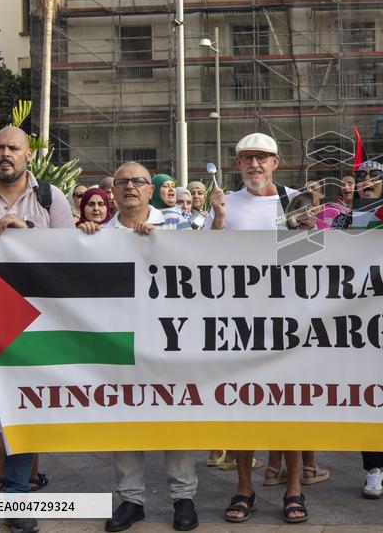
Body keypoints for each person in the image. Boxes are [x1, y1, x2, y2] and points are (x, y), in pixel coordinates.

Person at [0, 127, 75, 533]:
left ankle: (19, 498)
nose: (6, 154)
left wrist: (29, 235)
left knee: (26, 416)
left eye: (14, 148)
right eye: (0, 147)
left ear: (29, 154)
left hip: (33, 329)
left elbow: (70, 257)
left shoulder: (50, 199)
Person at [79, 163, 199, 533]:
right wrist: (82, 237)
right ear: (111, 190)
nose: (130, 187)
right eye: (122, 182)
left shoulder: (178, 224)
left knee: (173, 415)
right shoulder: (96, 233)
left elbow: (206, 267)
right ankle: (131, 500)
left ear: (151, 190)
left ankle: (184, 498)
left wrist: (162, 244)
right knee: (125, 418)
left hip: (170, 340)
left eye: (138, 181)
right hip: (120, 340)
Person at [207, 133, 316, 524]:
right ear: (237, 164)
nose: (254, 164)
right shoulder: (226, 204)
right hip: (237, 324)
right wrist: (218, 222)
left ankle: (294, 489)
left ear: (276, 162)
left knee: (290, 407)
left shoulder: (297, 201)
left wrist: (301, 233)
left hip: (289, 322)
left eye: (262, 158)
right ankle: (244, 488)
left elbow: (314, 260)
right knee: (239, 407)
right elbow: (198, 261)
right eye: (247, 158)